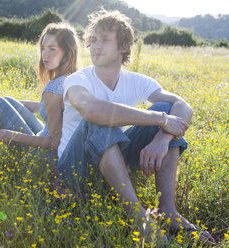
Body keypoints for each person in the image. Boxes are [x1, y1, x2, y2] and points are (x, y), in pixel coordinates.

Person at [56, 10, 215, 245]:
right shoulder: (78, 80)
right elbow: (91, 110)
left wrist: (162, 138)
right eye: (94, 40)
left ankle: (168, 211)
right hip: (75, 169)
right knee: (102, 117)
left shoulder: (136, 80)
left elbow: (184, 107)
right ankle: (138, 216)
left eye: (105, 40)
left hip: (112, 161)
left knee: (166, 106)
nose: (96, 46)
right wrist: (161, 120)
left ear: (123, 46)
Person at [0, 22, 81, 161]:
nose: (45, 55)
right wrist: (10, 104)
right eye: (43, 48)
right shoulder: (73, 79)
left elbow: (54, 142)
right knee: (4, 101)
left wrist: (12, 135)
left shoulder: (54, 88)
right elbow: (45, 107)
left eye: (52, 49)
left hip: (43, 158)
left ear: (67, 52)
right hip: (54, 148)